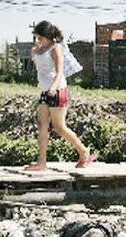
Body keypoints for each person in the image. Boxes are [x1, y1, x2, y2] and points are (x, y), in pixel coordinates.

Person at [26, 21, 95, 171]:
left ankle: (84, 152)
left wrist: (53, 87)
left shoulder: (56, 49)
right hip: (45, 91)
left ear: (49, 37)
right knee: (42, 126)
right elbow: (41, 67)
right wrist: (34, 54)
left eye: (40, 38)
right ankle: (41, 163)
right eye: (37, 38)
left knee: (59, 127)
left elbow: (59, 73)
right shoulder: (39, 49)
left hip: (58, 91)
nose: (38, 41)